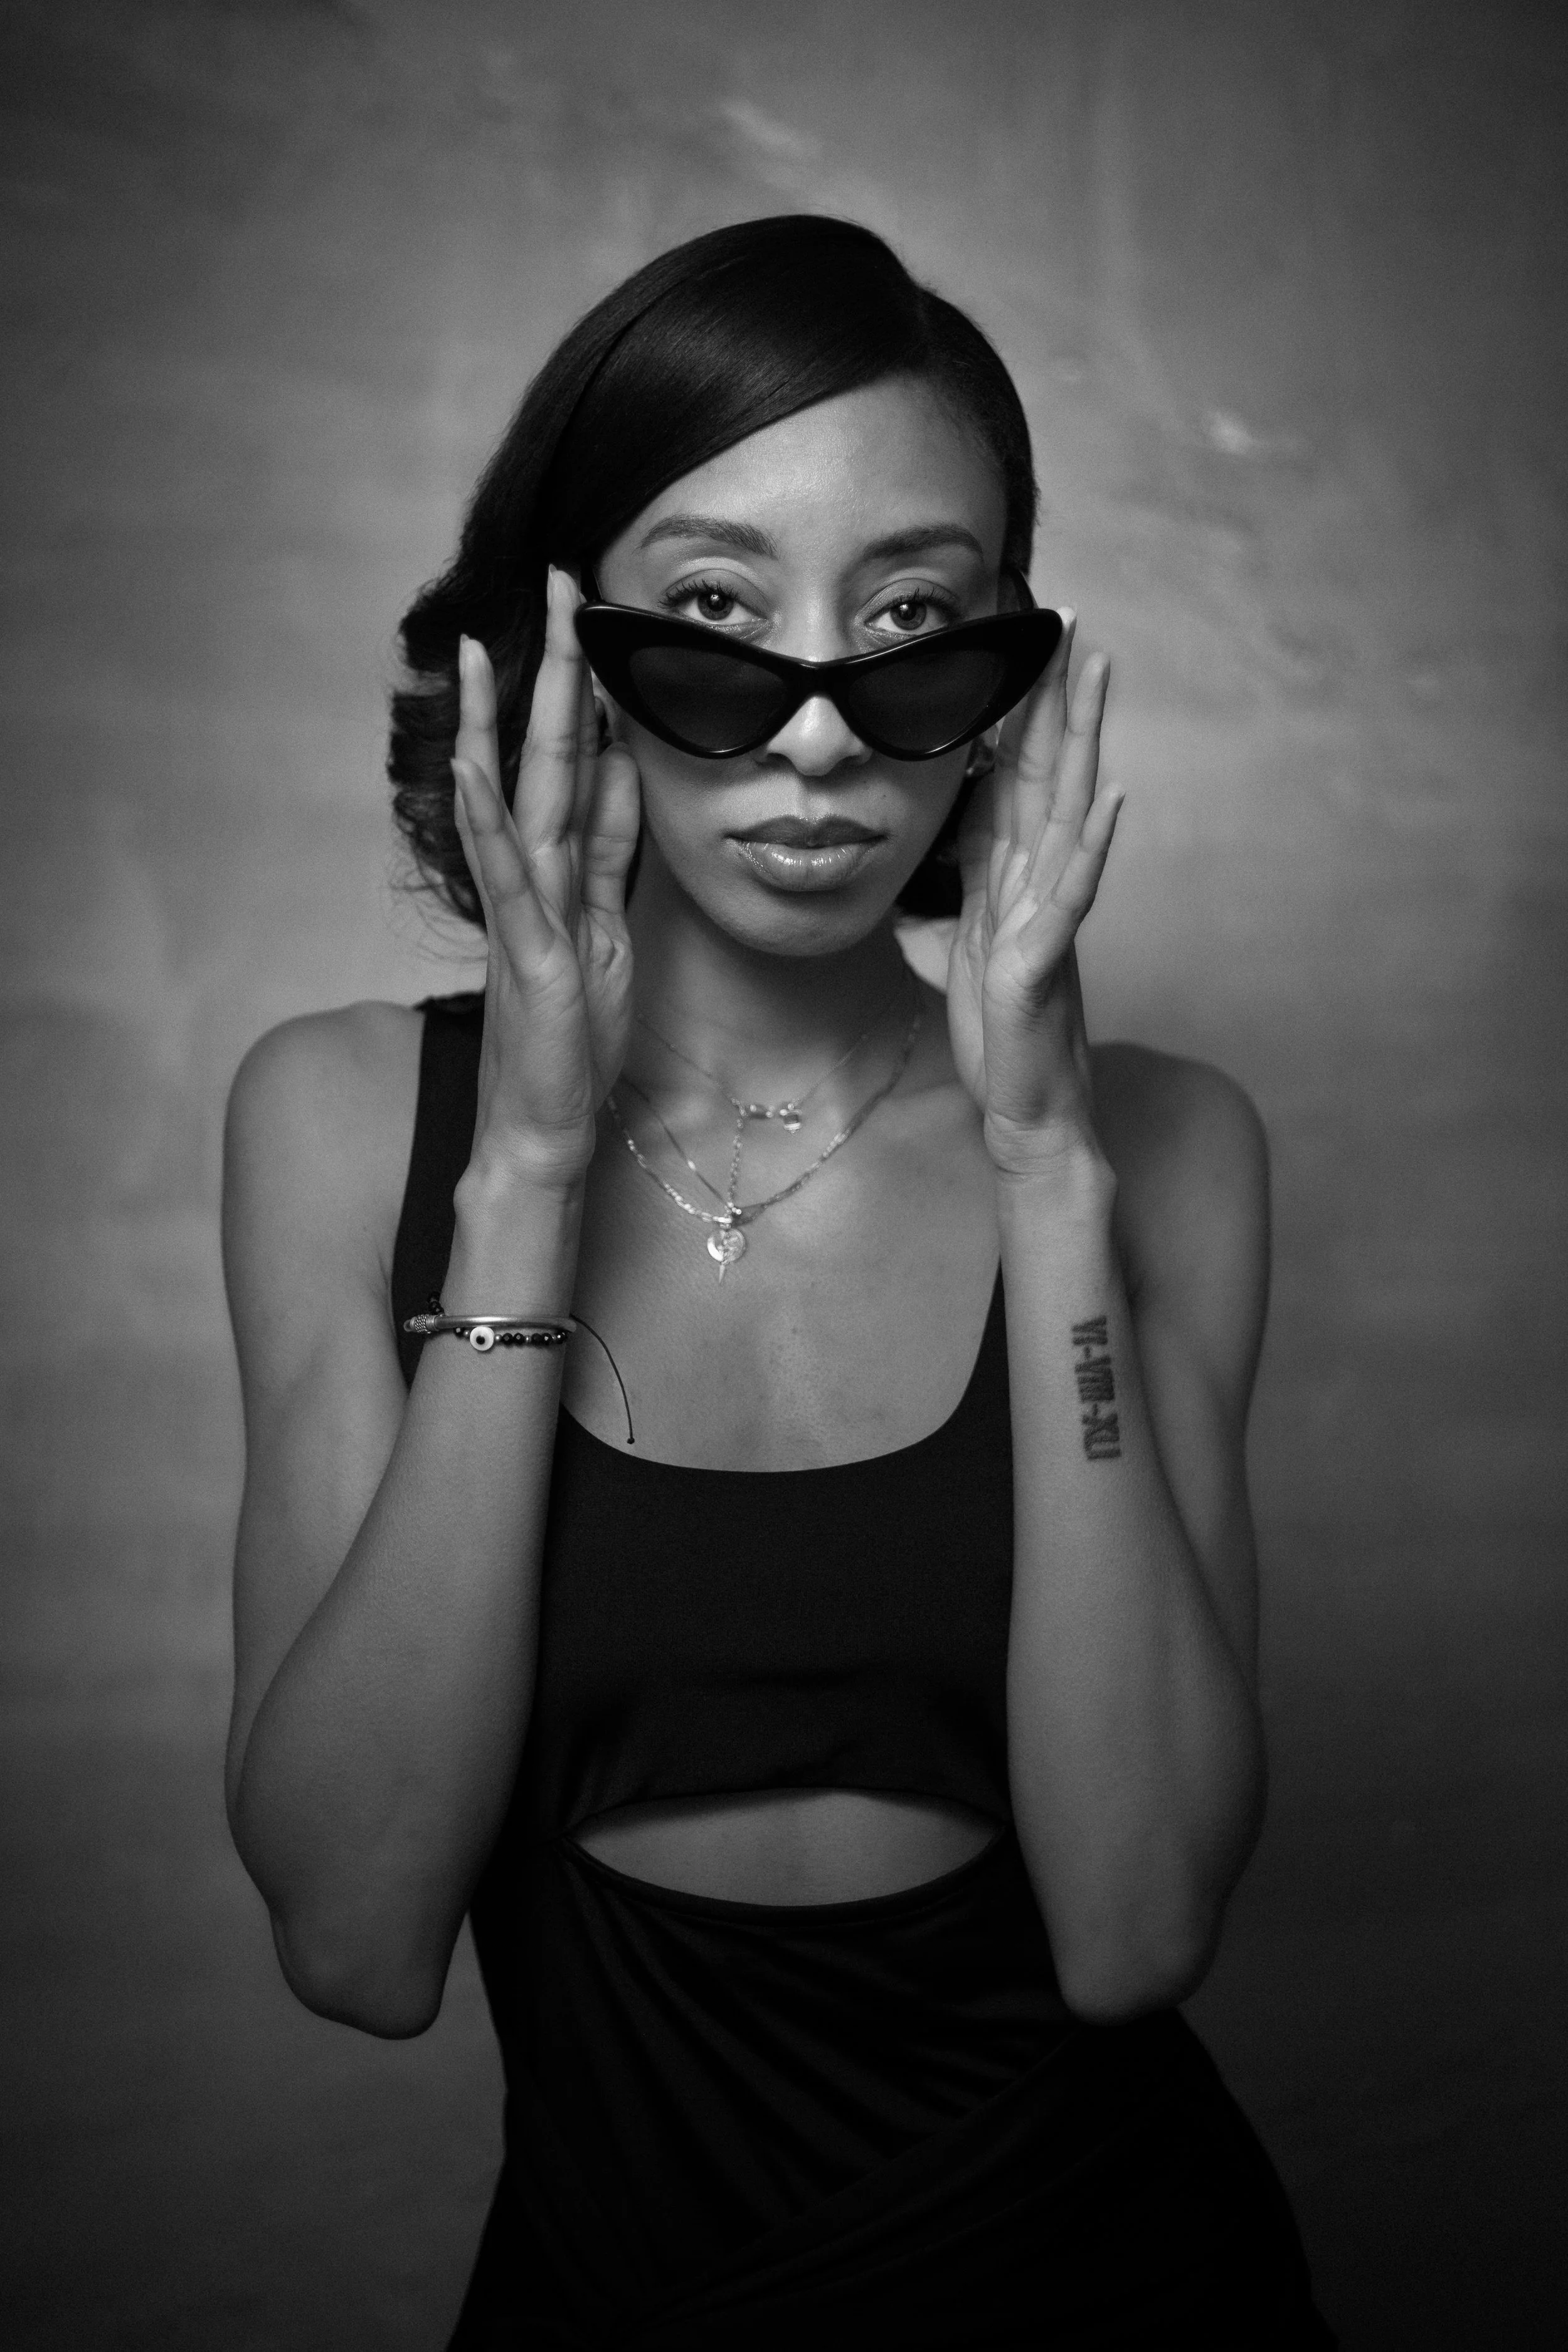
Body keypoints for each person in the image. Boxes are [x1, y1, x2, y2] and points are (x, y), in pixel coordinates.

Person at [222, 215, 1335, 2346]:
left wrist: (1043, 1165)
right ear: (566, 648)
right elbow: (356, 1936)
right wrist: (529, 1166)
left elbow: (1133, 1924)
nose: (821, 735)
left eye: (910, 617)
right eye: (717, 613)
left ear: (1005, 677)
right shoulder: (347, 1122)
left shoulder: (1164, 1152)